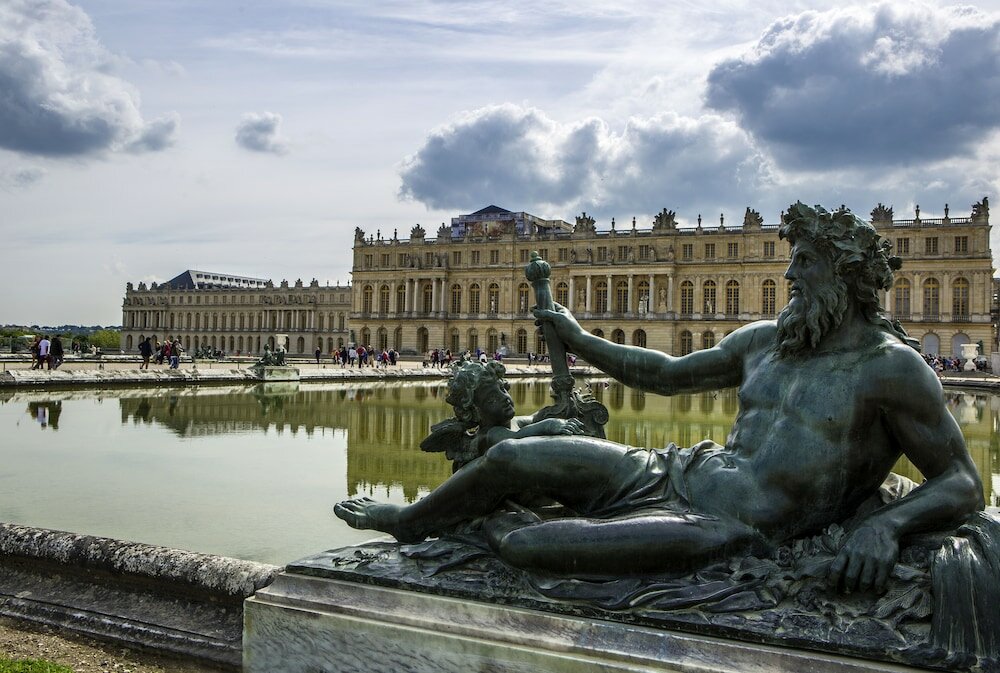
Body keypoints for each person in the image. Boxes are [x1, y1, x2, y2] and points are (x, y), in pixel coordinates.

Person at [336, 202, 984, 593]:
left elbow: (960, 480)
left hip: (726, 524)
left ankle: (510, 523)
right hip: (676, 468)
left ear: (842, 274)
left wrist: (884, 525)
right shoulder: (767, 341)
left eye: (802, 263)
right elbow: (665, 373)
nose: (785, 274)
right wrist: (577, 336)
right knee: (509, 462)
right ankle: (405, 520)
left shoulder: (891, 369)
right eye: (784, 260)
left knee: (532, 547)